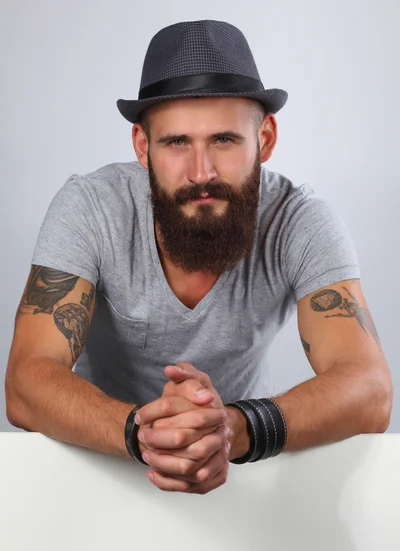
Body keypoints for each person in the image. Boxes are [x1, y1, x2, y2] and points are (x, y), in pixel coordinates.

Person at [5, 19, 392, 495]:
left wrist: (233, 430)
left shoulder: (300, 220)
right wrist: (146, 434)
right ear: (143, 147)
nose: (201, 172)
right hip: (98, 471)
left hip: (240, 477)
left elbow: (371, 389)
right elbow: (26, 381)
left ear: (265, 139)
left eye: (224, 140)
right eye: (176, 142)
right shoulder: (90, 207)